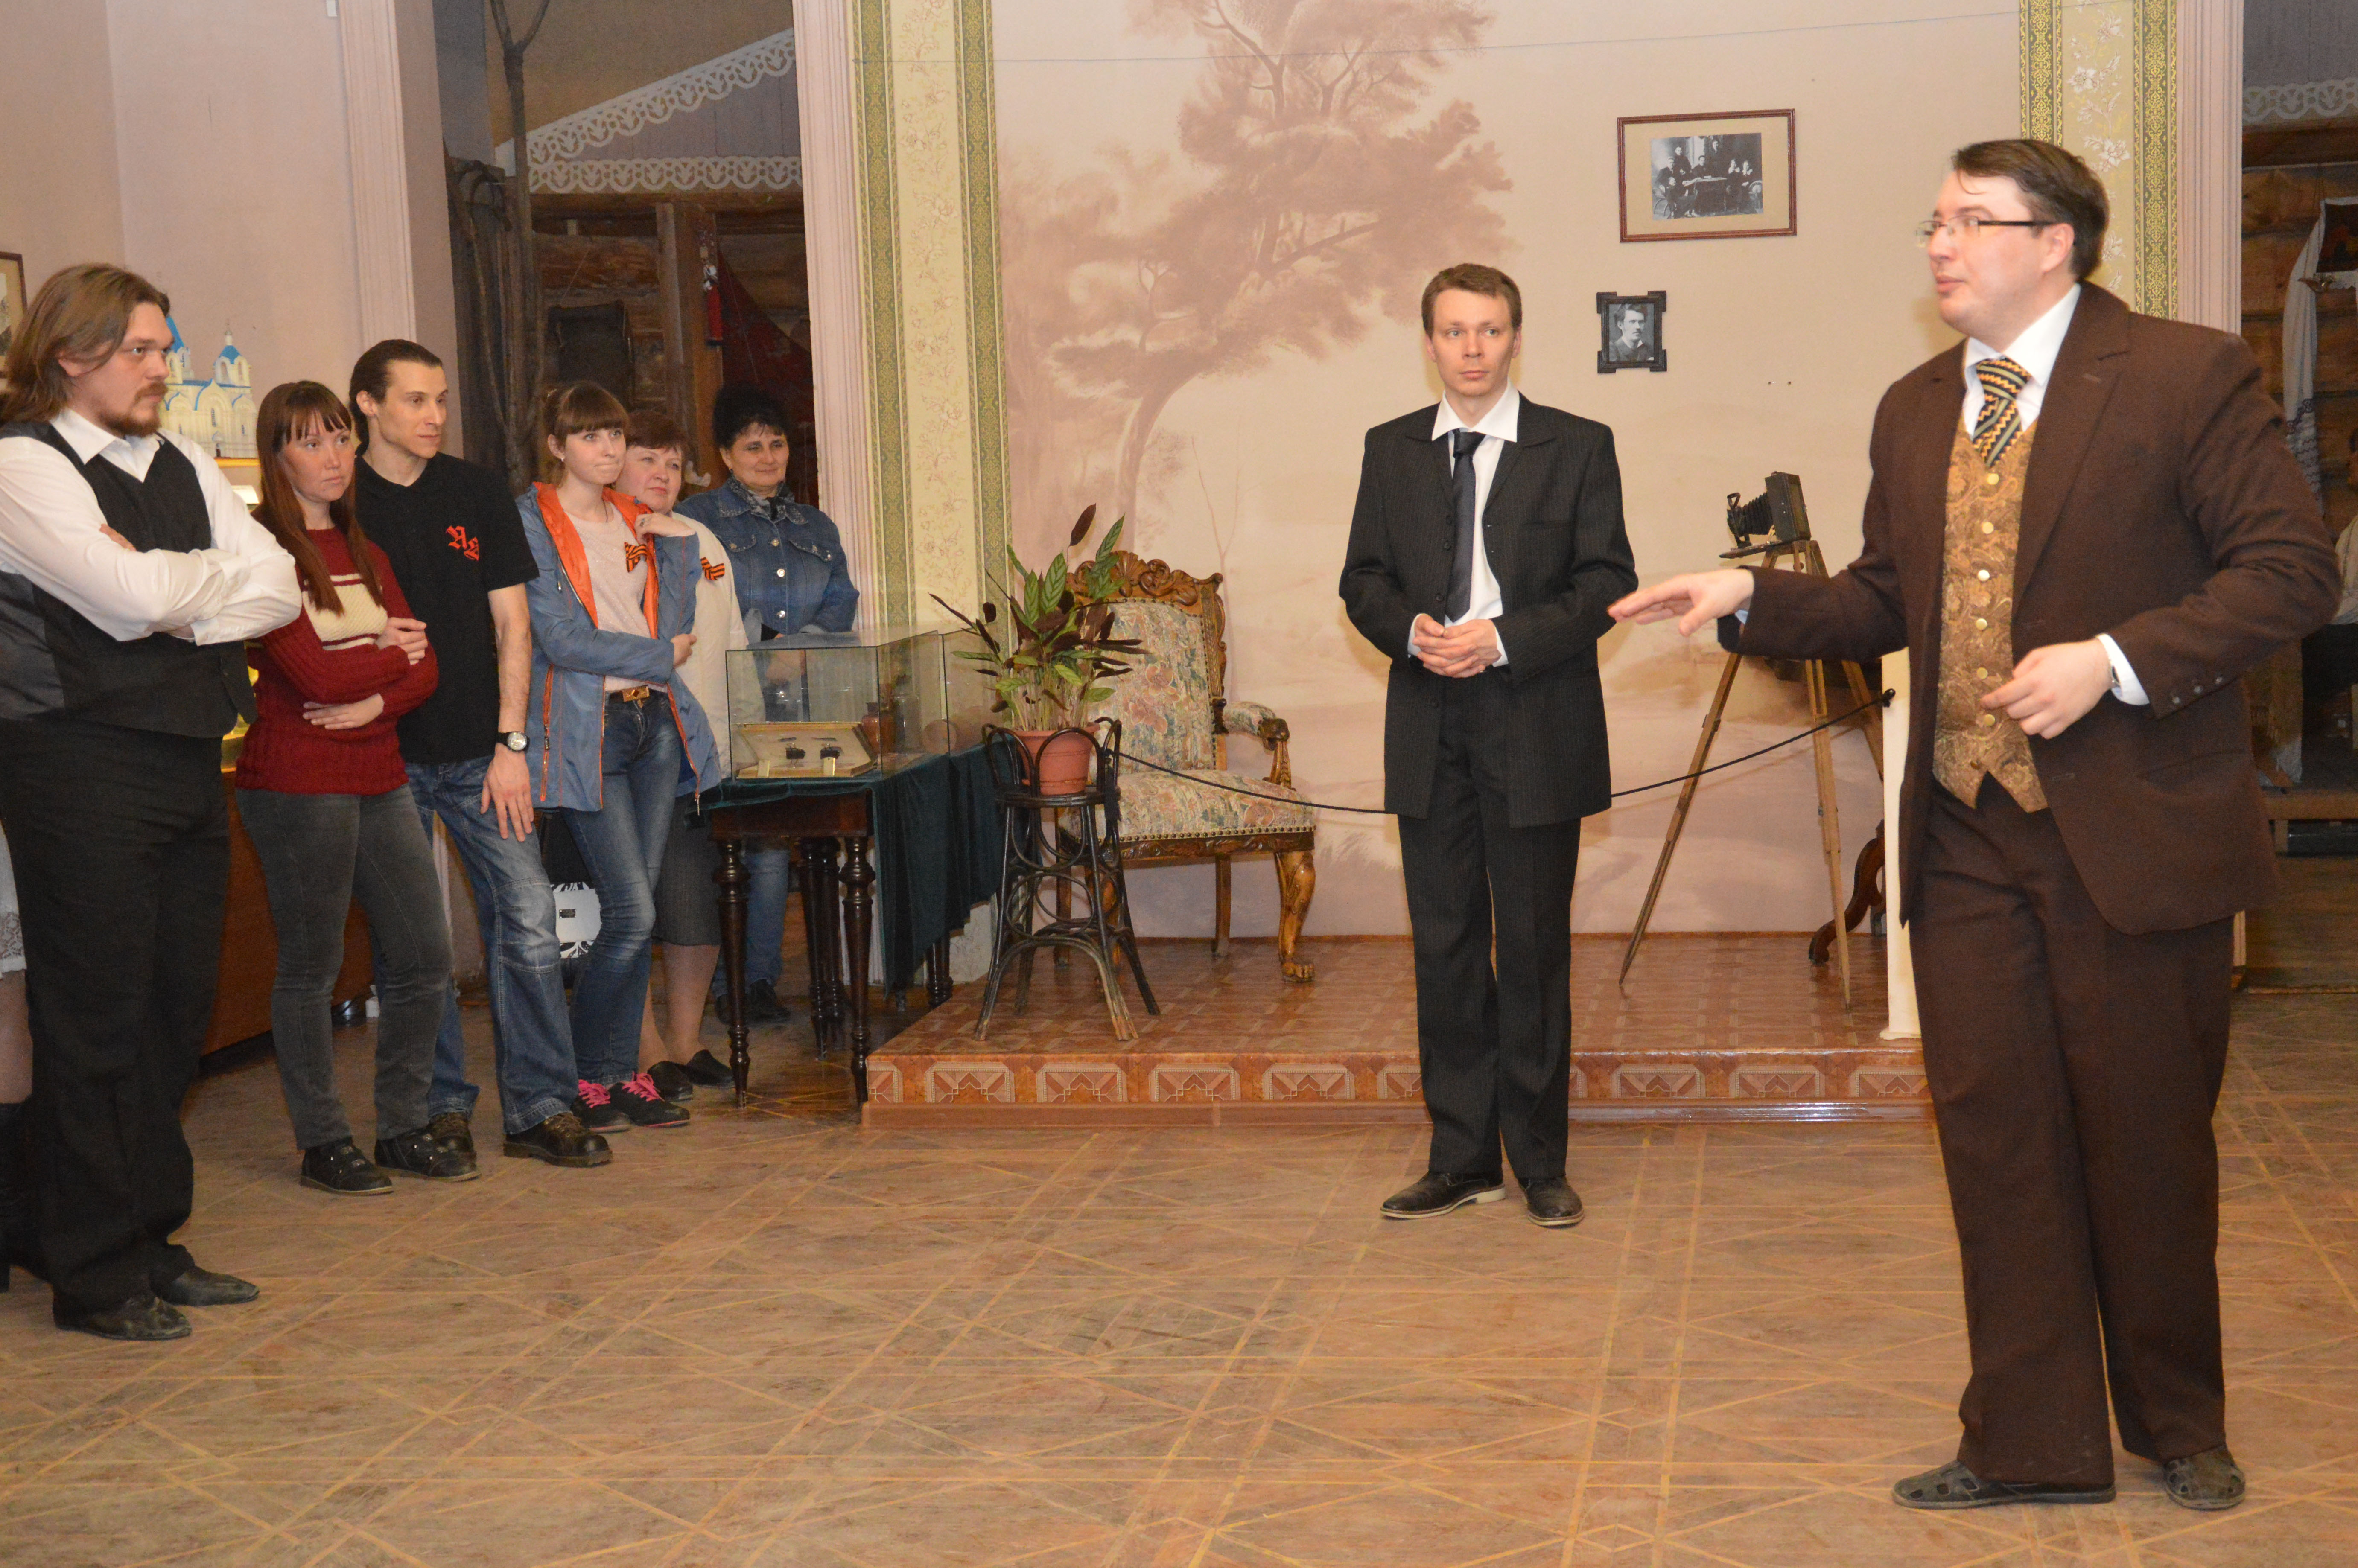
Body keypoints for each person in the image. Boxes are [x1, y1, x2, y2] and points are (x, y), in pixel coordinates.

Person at [1610, 140, 2337, 1513]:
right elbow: (1886, 598)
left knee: (2144, 1142)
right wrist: (1749, 599)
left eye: (1970, 221)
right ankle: (2028, 1439)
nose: (1939, 243)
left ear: (2055, 241)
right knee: (1998, 1146)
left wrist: (2112, 660)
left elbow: (2290, 573)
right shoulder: (1913, 407)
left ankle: (2177, 1422)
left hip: (2131, 835)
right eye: (1934, 221)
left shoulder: (2181, 376)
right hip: (1963, 840)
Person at [0, 263, 301, 1340]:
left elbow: (279, 583)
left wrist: (180, 592)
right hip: (74, 765)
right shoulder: (21, 464)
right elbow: (122, 600)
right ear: (70, 354)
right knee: (95, 1020)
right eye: (140, 349)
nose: (161, 368)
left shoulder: (180, 459)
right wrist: (196, 585)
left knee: (176, 1008)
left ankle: (150, 1234)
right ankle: (89, 1270)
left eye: (164, 348)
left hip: (182, 758)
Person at [1337, 263, 1636, 1229]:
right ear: (1429, 341)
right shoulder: (1390, 449)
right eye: (1454, 331)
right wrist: (1409, 631)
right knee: (1447, 946)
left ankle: (1540, 1162)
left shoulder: (1577, 445)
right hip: (1431, 727)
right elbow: (1363, 580)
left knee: (1534, 947)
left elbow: (1604, 584)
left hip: (1536, 723)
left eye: (1490, 330)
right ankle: (1461, 1159)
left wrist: (1501, 639)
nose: (1472, 348)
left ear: (1515, 337)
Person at [350, 341, 609, 1169]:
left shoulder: (475, 490)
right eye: (415, 400)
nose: (434, 416)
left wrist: (512, 745)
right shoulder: (341, 497)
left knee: (528, 918)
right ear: (368, 405)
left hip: (480, 754)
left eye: (440, 400)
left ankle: (540, 1106)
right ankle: (437, 1111)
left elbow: (514, 626)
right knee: (414, 943)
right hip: (382, 755)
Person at [234, 382, 463, 1195]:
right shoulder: (264, 553)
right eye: (312, 442)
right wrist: (387, 655)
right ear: (278, 457)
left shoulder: (369, 551)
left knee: (425, 955)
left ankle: (402, 1126)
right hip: (297, 778)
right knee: (313, 965)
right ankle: (323, 1140)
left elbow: (426, 669)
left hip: (378, 767)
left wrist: (373, 697)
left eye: (340, 439)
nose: (333, 457)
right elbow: (312, 677)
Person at [519, 383, 720, 1131]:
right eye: (590, 437)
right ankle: (583, 1071)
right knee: (633, 912)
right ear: (557, 446)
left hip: (654, 724)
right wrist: (655, 655)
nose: (607, 451)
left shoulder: (639, 520)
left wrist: (676, 547)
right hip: (590, 728)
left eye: (614, 436)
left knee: (642, 911)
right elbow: (561, 638)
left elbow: (678, 626)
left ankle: (619, 1075)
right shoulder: (533, 520)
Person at [675, 385, 858, 1022]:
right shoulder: (698, 520)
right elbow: (697, 604)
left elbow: (842, 600)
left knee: (776, 846)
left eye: (776, 443)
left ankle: (758, 982)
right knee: (725, 848)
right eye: (752, 446)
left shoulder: (816, 525)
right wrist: (763, 646)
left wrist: (801, 647)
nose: (768, 456)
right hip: (725, 704)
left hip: (803, 706)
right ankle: (722, 985)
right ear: (727, 455)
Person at [614, 410, 743, 1100]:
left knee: (695, 900)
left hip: (700, 755)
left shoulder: (703, 538)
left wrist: (739, 738)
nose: (662, 473)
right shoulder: (601, 540)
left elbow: (733, 643)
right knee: (630, 905)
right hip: (625, 751)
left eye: (672, 462)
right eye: (647, 459)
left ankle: (688, 1039)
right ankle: (645, 1046)